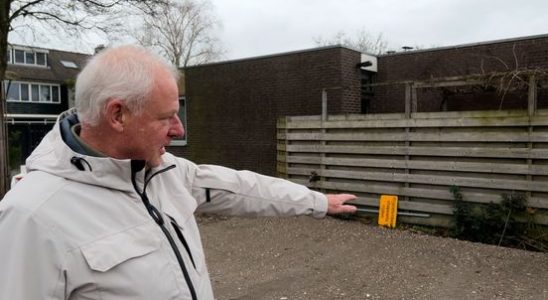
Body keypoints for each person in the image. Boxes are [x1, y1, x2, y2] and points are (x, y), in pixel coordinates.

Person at [0, 45, 357, 300]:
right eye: (166, 116)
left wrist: (318, 202)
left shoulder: (162, 171)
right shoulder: (31, 216)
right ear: (117, 114)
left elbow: (242, 188)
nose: (179, 130)